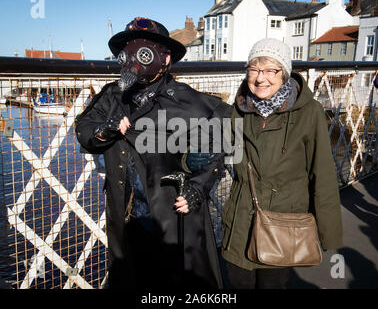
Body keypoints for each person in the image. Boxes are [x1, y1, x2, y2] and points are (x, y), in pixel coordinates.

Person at [75, 17, 232, 289]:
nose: (135, 58)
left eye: (146, 51)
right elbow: (84, 129)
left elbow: (223, 137)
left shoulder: (187, 100)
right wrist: (106, 128)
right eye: (129, 50)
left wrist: (200, 183)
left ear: (166, 58)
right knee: (132, 277)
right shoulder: (113, 96)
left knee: (176, 281)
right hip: (127, 216)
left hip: (173, 214)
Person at [221, 38, 343, 289]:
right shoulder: (238, 110)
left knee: (272, 285)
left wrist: (329, 237)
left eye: (270, 70)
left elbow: (322, 175)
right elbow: (220, 154)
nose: (260, 78)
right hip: (241, 219)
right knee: (237, 282)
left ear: (285, 73)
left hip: (283, 223)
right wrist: (191, 163)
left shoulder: (309, 113)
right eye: (254, 69)